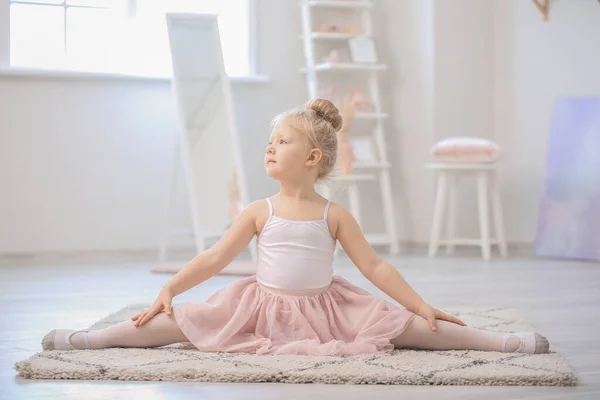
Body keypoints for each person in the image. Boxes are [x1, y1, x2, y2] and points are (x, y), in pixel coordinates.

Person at [42, 99, 549, 355]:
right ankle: (90, 341)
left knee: (413, 329)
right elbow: (216, 259)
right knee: (180, 323)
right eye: (270, 140)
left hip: (327, 310)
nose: (269, 147)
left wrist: (418, 303)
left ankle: (500, 344)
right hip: (259, 306)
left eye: (280, 141)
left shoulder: (335, 215)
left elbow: (373, 264)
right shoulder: (259, 210)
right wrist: (171, 287)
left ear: (310, 157)